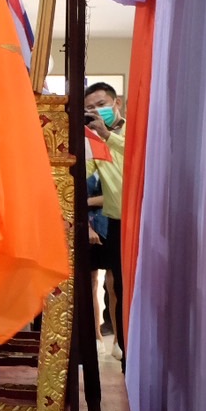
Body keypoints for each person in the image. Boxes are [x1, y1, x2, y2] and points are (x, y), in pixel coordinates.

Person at [83, 81, 126, 363]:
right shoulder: (93, 141)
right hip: (114, 223)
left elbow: (139, 158)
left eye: (101, 105)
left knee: (134, 290)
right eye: (89, 109)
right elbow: (79, 180)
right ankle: (121, 348)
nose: (97, 112)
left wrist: (108, 135)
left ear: (116, 103)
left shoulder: (136, 133)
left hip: (143, 223)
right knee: (117, 288)